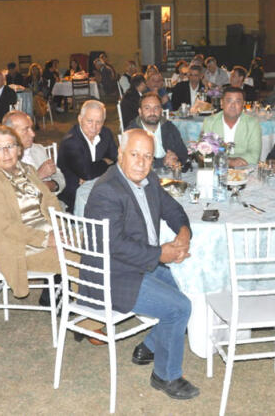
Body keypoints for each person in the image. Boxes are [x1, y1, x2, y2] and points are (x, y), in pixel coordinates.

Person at [83, 129, 198, 400]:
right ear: (120, 154)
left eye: (147, 156)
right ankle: (165, 376)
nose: (141, 162)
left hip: (139, 265)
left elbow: (172, 209)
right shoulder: (107, 191)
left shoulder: (149, 179)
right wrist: (159, 254)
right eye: (134, 154)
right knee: (179, 307)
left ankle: (150, 345)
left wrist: (184, 233)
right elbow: (114, 245)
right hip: (112, 275)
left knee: (189, 287)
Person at [0, 124, 63, 298]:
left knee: (96, 245)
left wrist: (59, 229)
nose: (6, 153)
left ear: (19, 149)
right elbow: (7, 227)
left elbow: (50, 200)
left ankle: (79, 301)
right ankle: (87, 311)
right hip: (20, 248)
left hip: (48, 233)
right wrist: (46, 239)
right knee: (83, 259)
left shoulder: (28, 170)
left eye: (10, 146)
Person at [57, 100, 118, 211]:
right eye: (89, 121)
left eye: (99, 122)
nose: (94, 127)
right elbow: (87, 173)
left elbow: (117, 160)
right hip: (75, 195)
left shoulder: (106, 133)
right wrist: (105, 161)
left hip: (101, 186)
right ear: (80, 119)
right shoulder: (71, 142)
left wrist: (95, 175)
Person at [3, 110, 65, 195]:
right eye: (26, 130)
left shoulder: (38, 149)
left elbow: (60, 177)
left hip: (50, 200)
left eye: (31, 128)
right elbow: (8, 193)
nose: (33, 134)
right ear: (11, 134)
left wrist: (51, 186)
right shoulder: (2, 159)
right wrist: (37, 176)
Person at [202, 87, 261, 166]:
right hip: (217, 168)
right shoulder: (209, 122)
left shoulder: (252, 124)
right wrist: (229, 161)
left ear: (243, 104)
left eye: (238, 101)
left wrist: (226, 161)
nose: (233, 105)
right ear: (222, 103)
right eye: (229, 101)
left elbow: (254, 155)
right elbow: (203, 152)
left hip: (244, 168)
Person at [127, 92, 189, 168]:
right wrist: (162, 162)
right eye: (147, 108)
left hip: (170, 171)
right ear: (140, 112)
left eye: (156, 108)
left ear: (161, 111)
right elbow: (132, 163)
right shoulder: (132, 133)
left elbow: (183, 153)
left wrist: (175, 158)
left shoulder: (169, 127)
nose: (152, 112)